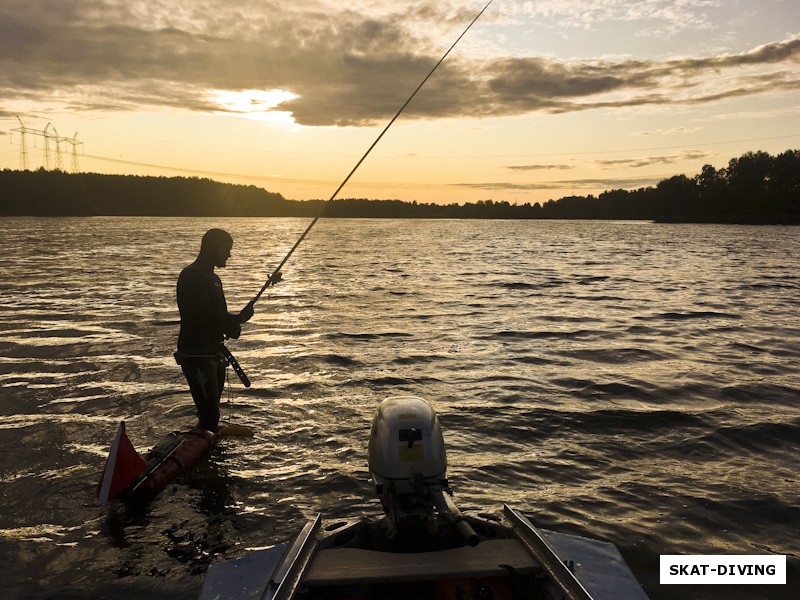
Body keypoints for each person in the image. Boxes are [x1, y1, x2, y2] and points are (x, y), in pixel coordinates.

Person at [175, 228, 255, 431]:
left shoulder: (215, 279)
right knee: (210, 414)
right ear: (212, 249)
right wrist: (234, 319)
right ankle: (194, 450)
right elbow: (201, 314)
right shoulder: (191, 276)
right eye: (226, 249)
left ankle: (206, 445)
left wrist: (236, 323)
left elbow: (218, 317)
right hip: (196, 354)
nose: (229, 254)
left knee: (212, 412)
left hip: (214, 352)